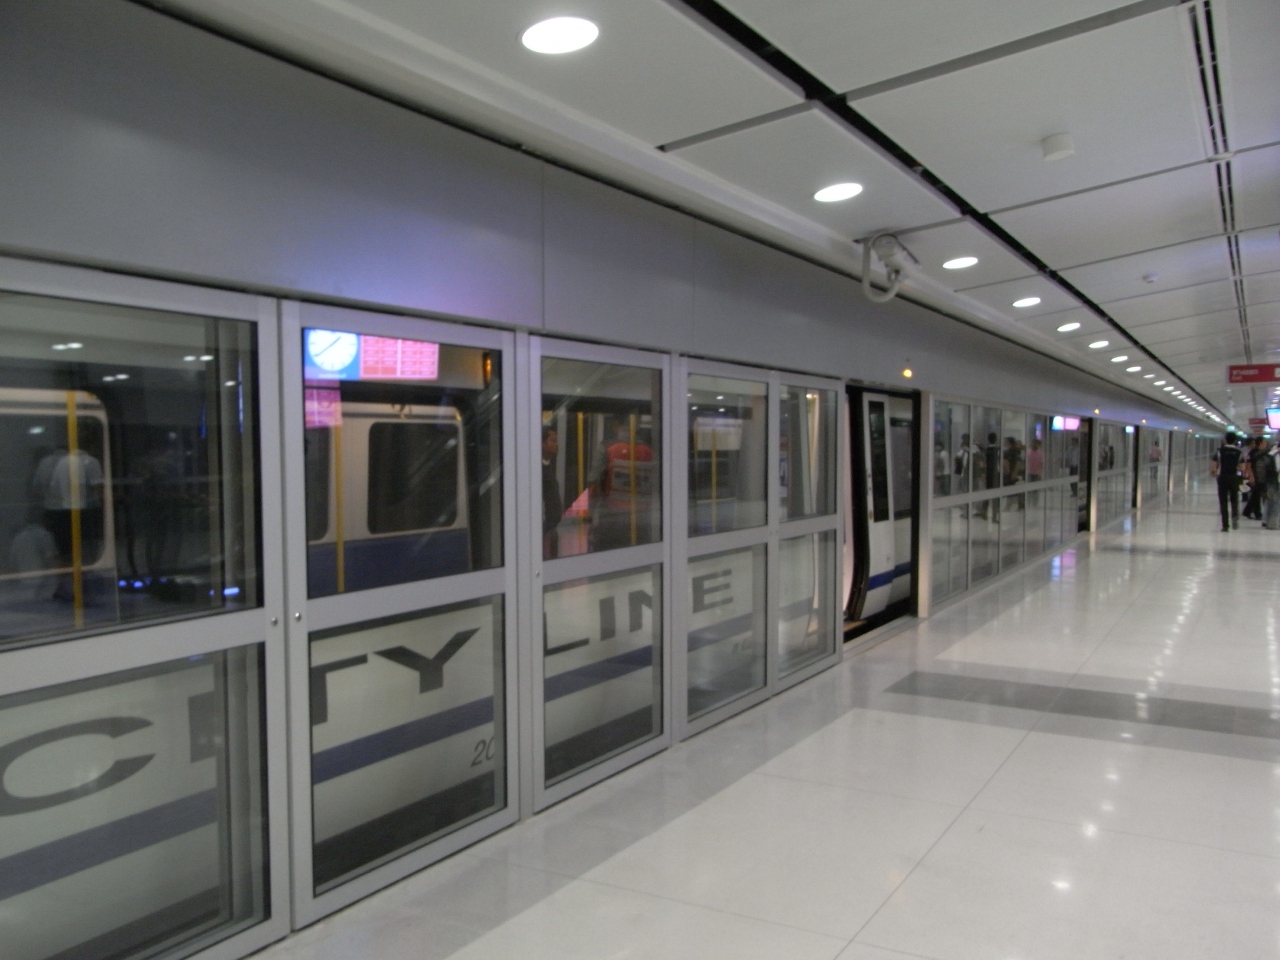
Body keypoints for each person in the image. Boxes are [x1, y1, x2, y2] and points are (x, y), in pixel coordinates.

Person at [1210, 432, 1244, 532]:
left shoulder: (1219, 451)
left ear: (1225, 440)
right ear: (1235, 441)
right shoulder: (1239, 452)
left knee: (1223, 501)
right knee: (1234, 499)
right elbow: (1242, 468)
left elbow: (1214, 466)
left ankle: (1225, 525)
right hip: (1234, 478)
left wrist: (1214, 473)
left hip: (1222, 478)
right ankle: (1235, 517)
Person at [541, 425, 562, 559]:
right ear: (542, 444)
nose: (556, 444)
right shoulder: (538, 469)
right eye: (553, 441)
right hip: (544, 528)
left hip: (551, 526)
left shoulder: (549, 465)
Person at [1243, 437, 1267, 521]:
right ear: (1260, 443)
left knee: (1256, 495)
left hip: (1260, 477)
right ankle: (1255, 513)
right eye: (1264, 442)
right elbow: (1249, 465)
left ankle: (1248, 511)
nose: (1265, 444)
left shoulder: (1261, 452)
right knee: (1256, 495)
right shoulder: (1254, 453)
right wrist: (1251, 476)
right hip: (1256, 476)